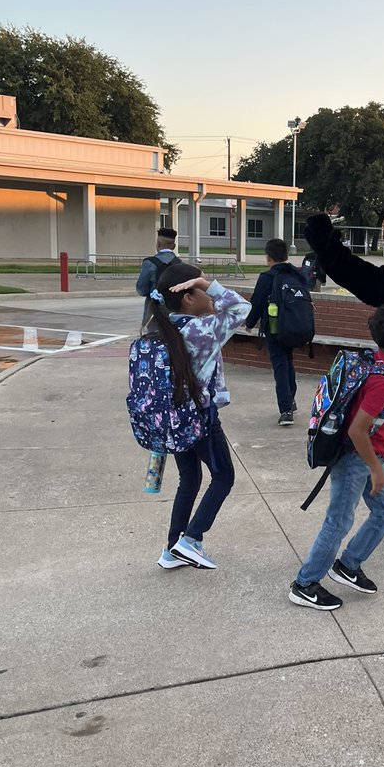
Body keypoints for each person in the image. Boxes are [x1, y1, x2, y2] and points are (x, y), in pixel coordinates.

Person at [289, 300, 384, 611]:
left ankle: (348, 564)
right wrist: (374, 466)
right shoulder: (383, 379)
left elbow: (368, 420)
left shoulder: (383, 364)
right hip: (354, 459)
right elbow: (357, 430)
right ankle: (305, 584)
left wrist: (381, 441)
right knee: (338, 521)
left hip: (367, 451)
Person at [147, 261, 251, 571]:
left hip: (173, 421)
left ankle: (171, 549)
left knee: (189, 480)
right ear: (189, 296)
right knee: (224, 476)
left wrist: (202, 285)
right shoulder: (200, 330)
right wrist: (211, 286)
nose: (210, 293)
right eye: (202, 287)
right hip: (199, 419)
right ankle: (190, 540)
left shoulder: (162, 328)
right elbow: (242, 311)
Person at [244, 237, 309, 426]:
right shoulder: (297, 275)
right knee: (288, 362)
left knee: (280, 365)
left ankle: (286, 409)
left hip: (274, 329)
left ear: (268, 258)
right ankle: (291, 399)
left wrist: (249, 323)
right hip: (294, 328)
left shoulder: (268, 277)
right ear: (287, 255)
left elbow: (257, 302)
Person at [136, 227, 180, 329]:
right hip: (174, 312)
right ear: (174, 246)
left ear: (158, 244)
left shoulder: (150, 263)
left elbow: (141, 290)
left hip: (154, 311)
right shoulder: (180, 264)